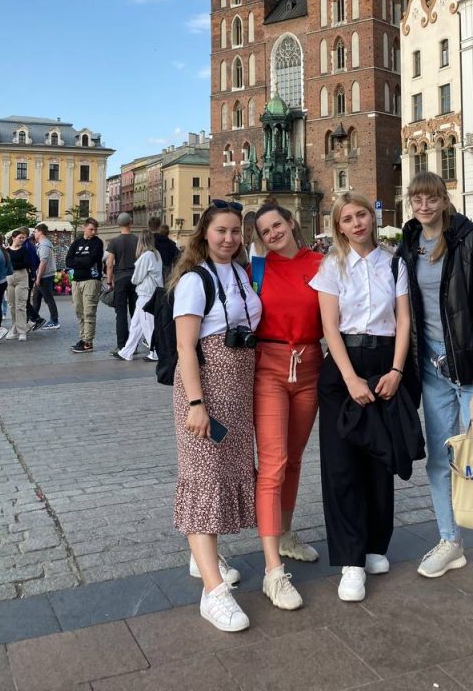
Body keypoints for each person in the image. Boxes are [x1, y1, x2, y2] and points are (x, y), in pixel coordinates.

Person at [397, 172, 473, 609]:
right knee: (440, 459)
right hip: (432, 368)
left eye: (431, 198)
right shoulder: (410, 241)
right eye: (417, 199)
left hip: (470, 368)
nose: (424, 206)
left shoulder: (466, 238)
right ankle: (450, 541)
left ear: (443, 200)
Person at [310, 192, 412, 604]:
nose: (357, 223)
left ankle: (374, 544)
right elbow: (329, 327)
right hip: (344, 365)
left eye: (362, 215)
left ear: (373, 217)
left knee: (379, 457)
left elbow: (403, 318)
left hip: (384, 360)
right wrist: (350, 378)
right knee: (342, 462)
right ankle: (350, 560)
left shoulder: (394, 262)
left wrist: (397, 371)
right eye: (348, 218)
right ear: (339, 226)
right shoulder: (332, 266)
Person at [170, 202, 261, 632]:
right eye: (221, 231)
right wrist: (195, 403)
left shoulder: (241, 273)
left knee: (222, 474)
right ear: (204, 233)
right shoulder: (195, 279)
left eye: (235, 231)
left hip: (237, 391)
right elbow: (185, 347)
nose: (229, 238)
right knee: (203, 479)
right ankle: (214, 593)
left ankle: (202, 557)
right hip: (205, 390)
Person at [250, 203, 324, 611]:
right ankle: (273, 571)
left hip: (310, 366)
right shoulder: (257, 270)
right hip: (270, 367)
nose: (273, 234)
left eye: (277, 225)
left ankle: (285, 533)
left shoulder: (321, 264)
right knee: (274, 463)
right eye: (265, 231)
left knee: (294, 459)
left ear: (291, 222)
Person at [112, 230, 163, 361]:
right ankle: (126, 352)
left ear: (141, 241)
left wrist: (134, 279)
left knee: (147, 325)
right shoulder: (156, 254)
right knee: (136, 324)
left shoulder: (146, 256)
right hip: (152, 292)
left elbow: (136, 278)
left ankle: (155, 352)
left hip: (146, 294)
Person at [66, 218, 104, 353]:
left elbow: (90, 261)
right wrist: (82, 261)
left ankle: (88, 341)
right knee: (79, 311)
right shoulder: (76, 243)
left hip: (91, 280)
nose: (93, 232)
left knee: (89, 312)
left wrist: (78, 261)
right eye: (91, 229)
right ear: (84, 228)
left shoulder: (97, 243)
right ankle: (82, 338)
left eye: (95, 230)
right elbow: (68, 261)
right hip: (76, 280)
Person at [105, 212, 138, 350]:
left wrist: (109, 281)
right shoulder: (137, 240)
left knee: (121, 314)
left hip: (120, 279)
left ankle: (122, 345)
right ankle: (134, 345)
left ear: (118, 224)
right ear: (130, 223)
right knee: (135, 313)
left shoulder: (114, 242)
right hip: (135, 279)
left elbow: (110, 264)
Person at [30, 224, 60, 331]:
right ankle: (35, 320)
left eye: (35, 231)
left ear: (40, 232)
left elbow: (43, 263)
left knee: (48, 299)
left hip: (44, 276)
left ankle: (54, 321)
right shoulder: (42, 244)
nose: (34, 233)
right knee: (36, 298)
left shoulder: (44, 245)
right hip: (43, 276)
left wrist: (38, 278)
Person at [5, 228, 30, 341]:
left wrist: (12, 264)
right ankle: (14, 328)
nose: (22, 240)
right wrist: (14, 265)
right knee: (12, 305)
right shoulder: (7, 251)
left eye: (23, 238)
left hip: (21, 277)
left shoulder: (24, 250)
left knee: (20, 305)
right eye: (20, 238)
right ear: (13, 238)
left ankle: (22, 330)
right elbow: (6, 264)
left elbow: (25, 263)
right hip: (9, 278)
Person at [148, 217, 180, 283]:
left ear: (148, 226)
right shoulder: (170, 243)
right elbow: (178, 257)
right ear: (159, 227)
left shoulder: (147, 241)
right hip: (166, 271)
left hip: (150, 272)